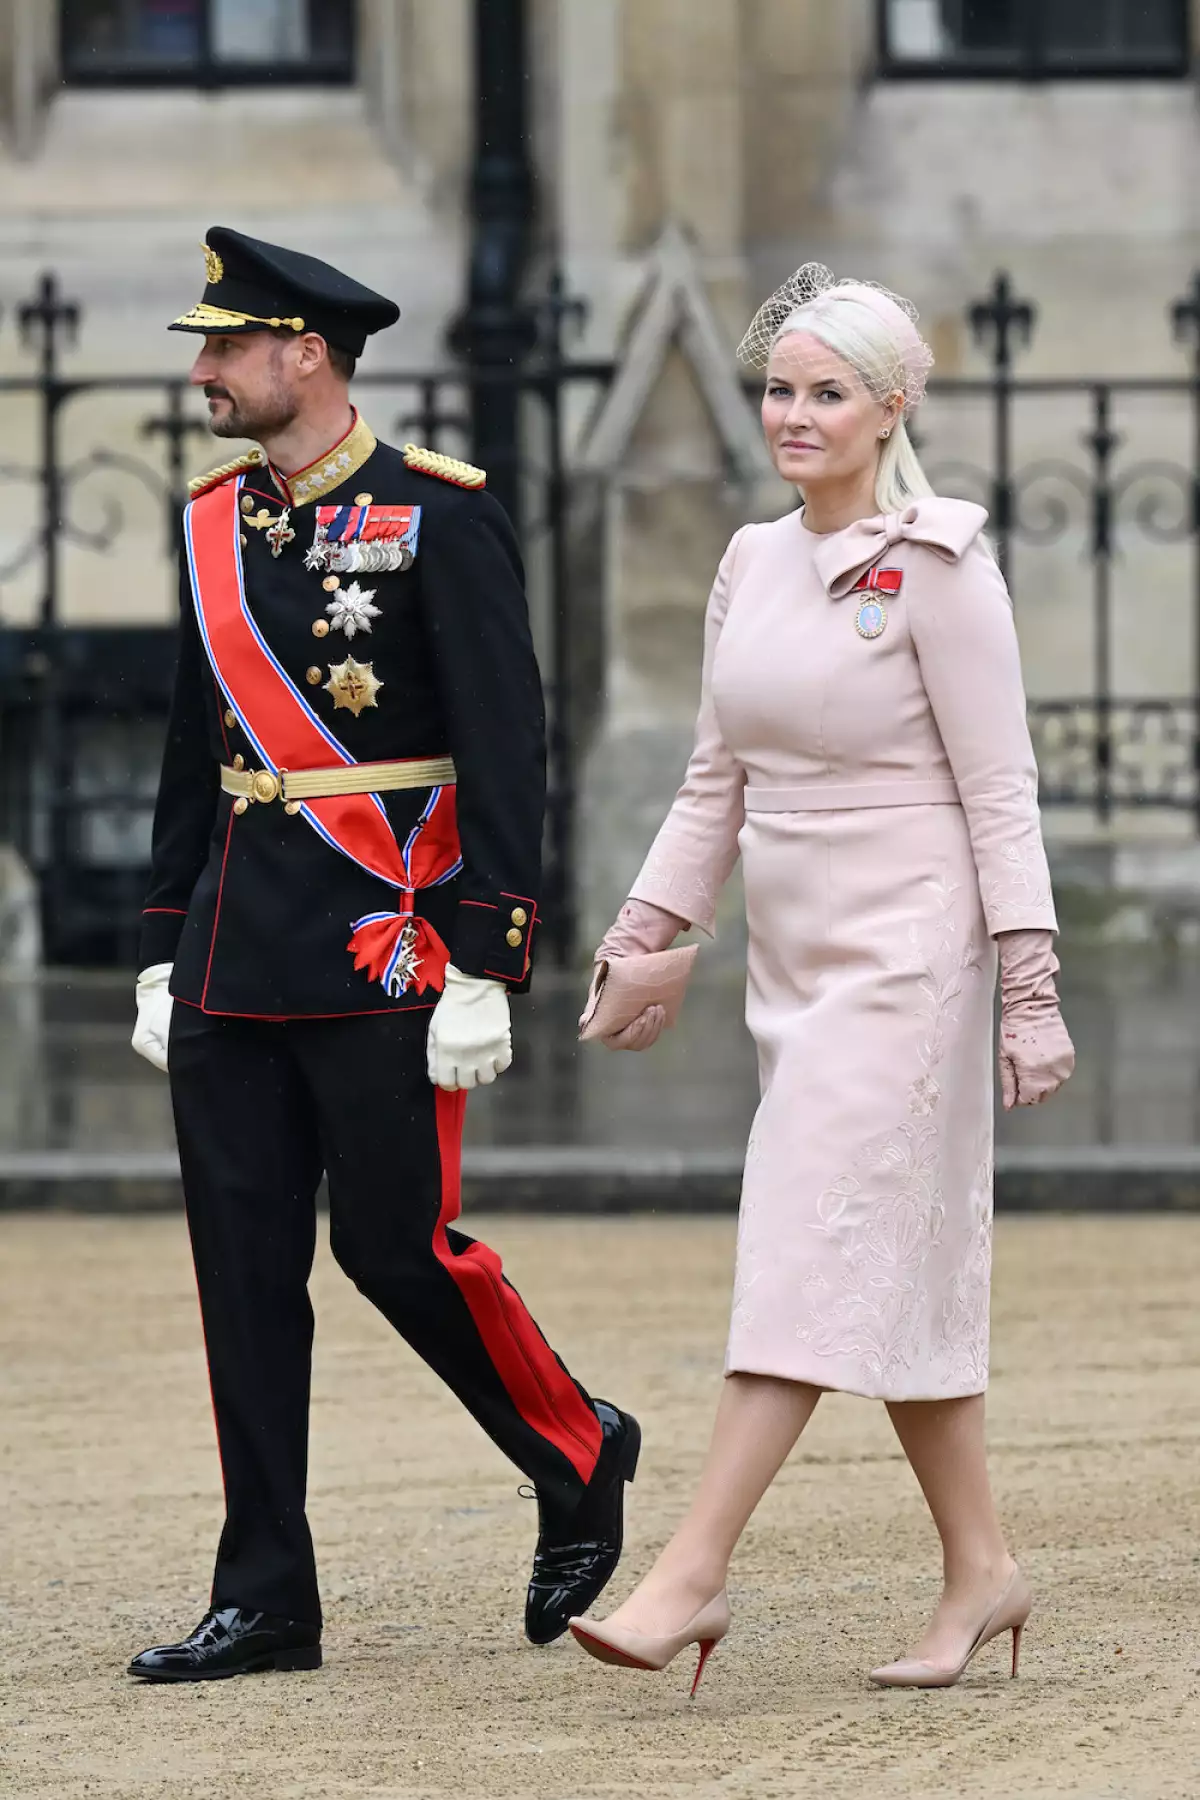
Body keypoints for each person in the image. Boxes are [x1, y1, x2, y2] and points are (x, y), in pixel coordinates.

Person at [127, 229, 638, 1682]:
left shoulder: (440, 514)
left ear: (308, 352)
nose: (206, 370)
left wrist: (489, 955)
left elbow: (506, 743)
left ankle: (580, 1446)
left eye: (227, 346)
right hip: (236, 944)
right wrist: (162, 945)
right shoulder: (218, 525)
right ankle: (268, 1594)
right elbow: (190, 749)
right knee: (240, 1271)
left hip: (387, 938)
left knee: (395, 1249)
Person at [569, 265, 1075, 1694]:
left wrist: (1030, 991)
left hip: (913, 954)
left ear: (889, 407)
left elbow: (1002, 789)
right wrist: (643, 932)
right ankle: (984, 1572)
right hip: (792, 956)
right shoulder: (748, 561)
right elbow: (712, 779)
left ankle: (690, 1574)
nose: (794, 414)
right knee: (887, 1267)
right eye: (781, 389)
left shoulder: (942, 567)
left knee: (802, 1234)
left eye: (826, 392)